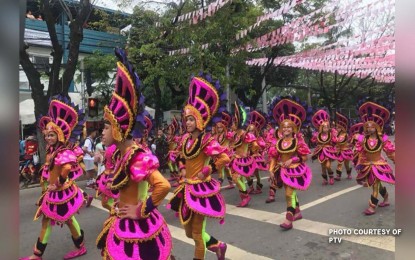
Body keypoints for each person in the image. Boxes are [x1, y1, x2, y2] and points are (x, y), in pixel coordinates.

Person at [96, 48, 172, 259]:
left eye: (106, 126)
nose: (102, 132)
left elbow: (163, 185)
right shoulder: (121, 155)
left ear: (118, 129)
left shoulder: (137, 155)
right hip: (121, 218)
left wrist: (141, 210)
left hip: (137, 224)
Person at [167, 74, 229, 260]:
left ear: (199, 121)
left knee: (196, 234)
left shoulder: (207, 140)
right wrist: (183, 169)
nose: (188, 123)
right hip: (186, 187)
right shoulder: (185, 139)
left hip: (202, 189)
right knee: (188, 232)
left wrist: (206, 171)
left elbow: (224, 157)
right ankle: (218, 245)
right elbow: (179, 157)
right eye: (186, 120)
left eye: (191, 120)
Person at [20, 98, 87, 260]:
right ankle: (39, 254)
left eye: (52, 135)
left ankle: (79, 246)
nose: (49, 138)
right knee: (51, 221)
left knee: (68, 220)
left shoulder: (63, 152)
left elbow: (66, 168)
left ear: (59, 135)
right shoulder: (52, 151)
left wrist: (57, 184)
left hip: (62, 193)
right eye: (47, 135)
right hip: (53, 194)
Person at [267, 96, 312, 230]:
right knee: (290, 192)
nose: (286, 129)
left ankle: (289, 219)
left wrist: (292, 160)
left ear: (293, 129)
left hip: (294, 169)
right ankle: (297, 212)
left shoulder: (298, 141)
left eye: (289, 127)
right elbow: (274, 157)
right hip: (282, 170)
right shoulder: (278, 142)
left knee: (288, 193)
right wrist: (270, 169)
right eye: (283, 127)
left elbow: (304, 157)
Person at [355, 101, 395, 215]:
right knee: (376, 184)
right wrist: (359, 163)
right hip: (368, 165)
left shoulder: (383, 139)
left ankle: (372, 207)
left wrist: (396, 160)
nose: (369, 128)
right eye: (367, 126)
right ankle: (386, 197)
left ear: (377, 127)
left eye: (371, 126)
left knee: (375, 186)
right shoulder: (362, 140)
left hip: (379, 164)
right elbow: (361, 153)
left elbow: (390, 152)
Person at [311, 109, 339, 185]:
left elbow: (335, 141)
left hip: (329, 151)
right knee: (323, 167)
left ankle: (331, 177)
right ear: (321, 127)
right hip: (321, 152)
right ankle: (325, 179)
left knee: (328, 165)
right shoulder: (318, 135)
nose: (326, 127)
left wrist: (335, 138)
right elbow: (313, 142)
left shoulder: (331, 134)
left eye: (327, 126)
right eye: (324, 126)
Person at [334, 112, 354, 180]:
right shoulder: (337, 135)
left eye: (338, 127)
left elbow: (343, 141)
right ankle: (338, 176)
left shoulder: (345, 135)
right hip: (339, 151)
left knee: (346, 164)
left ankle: (349, 174)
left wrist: (336, 140)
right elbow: (336, 143)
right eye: (336, 127)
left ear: (342, 128)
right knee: (339, 163)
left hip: (346, 151)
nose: (337, 129)